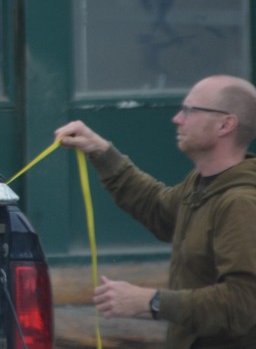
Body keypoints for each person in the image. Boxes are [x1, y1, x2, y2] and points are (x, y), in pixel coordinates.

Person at [55, 74, 256, 349]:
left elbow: (243, 303)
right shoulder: (201, 185)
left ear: (226, 124)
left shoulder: (241, 203)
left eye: (190, 110)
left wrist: (150, 301)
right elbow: (157, 208)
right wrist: (100, 150)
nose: (177, 118)